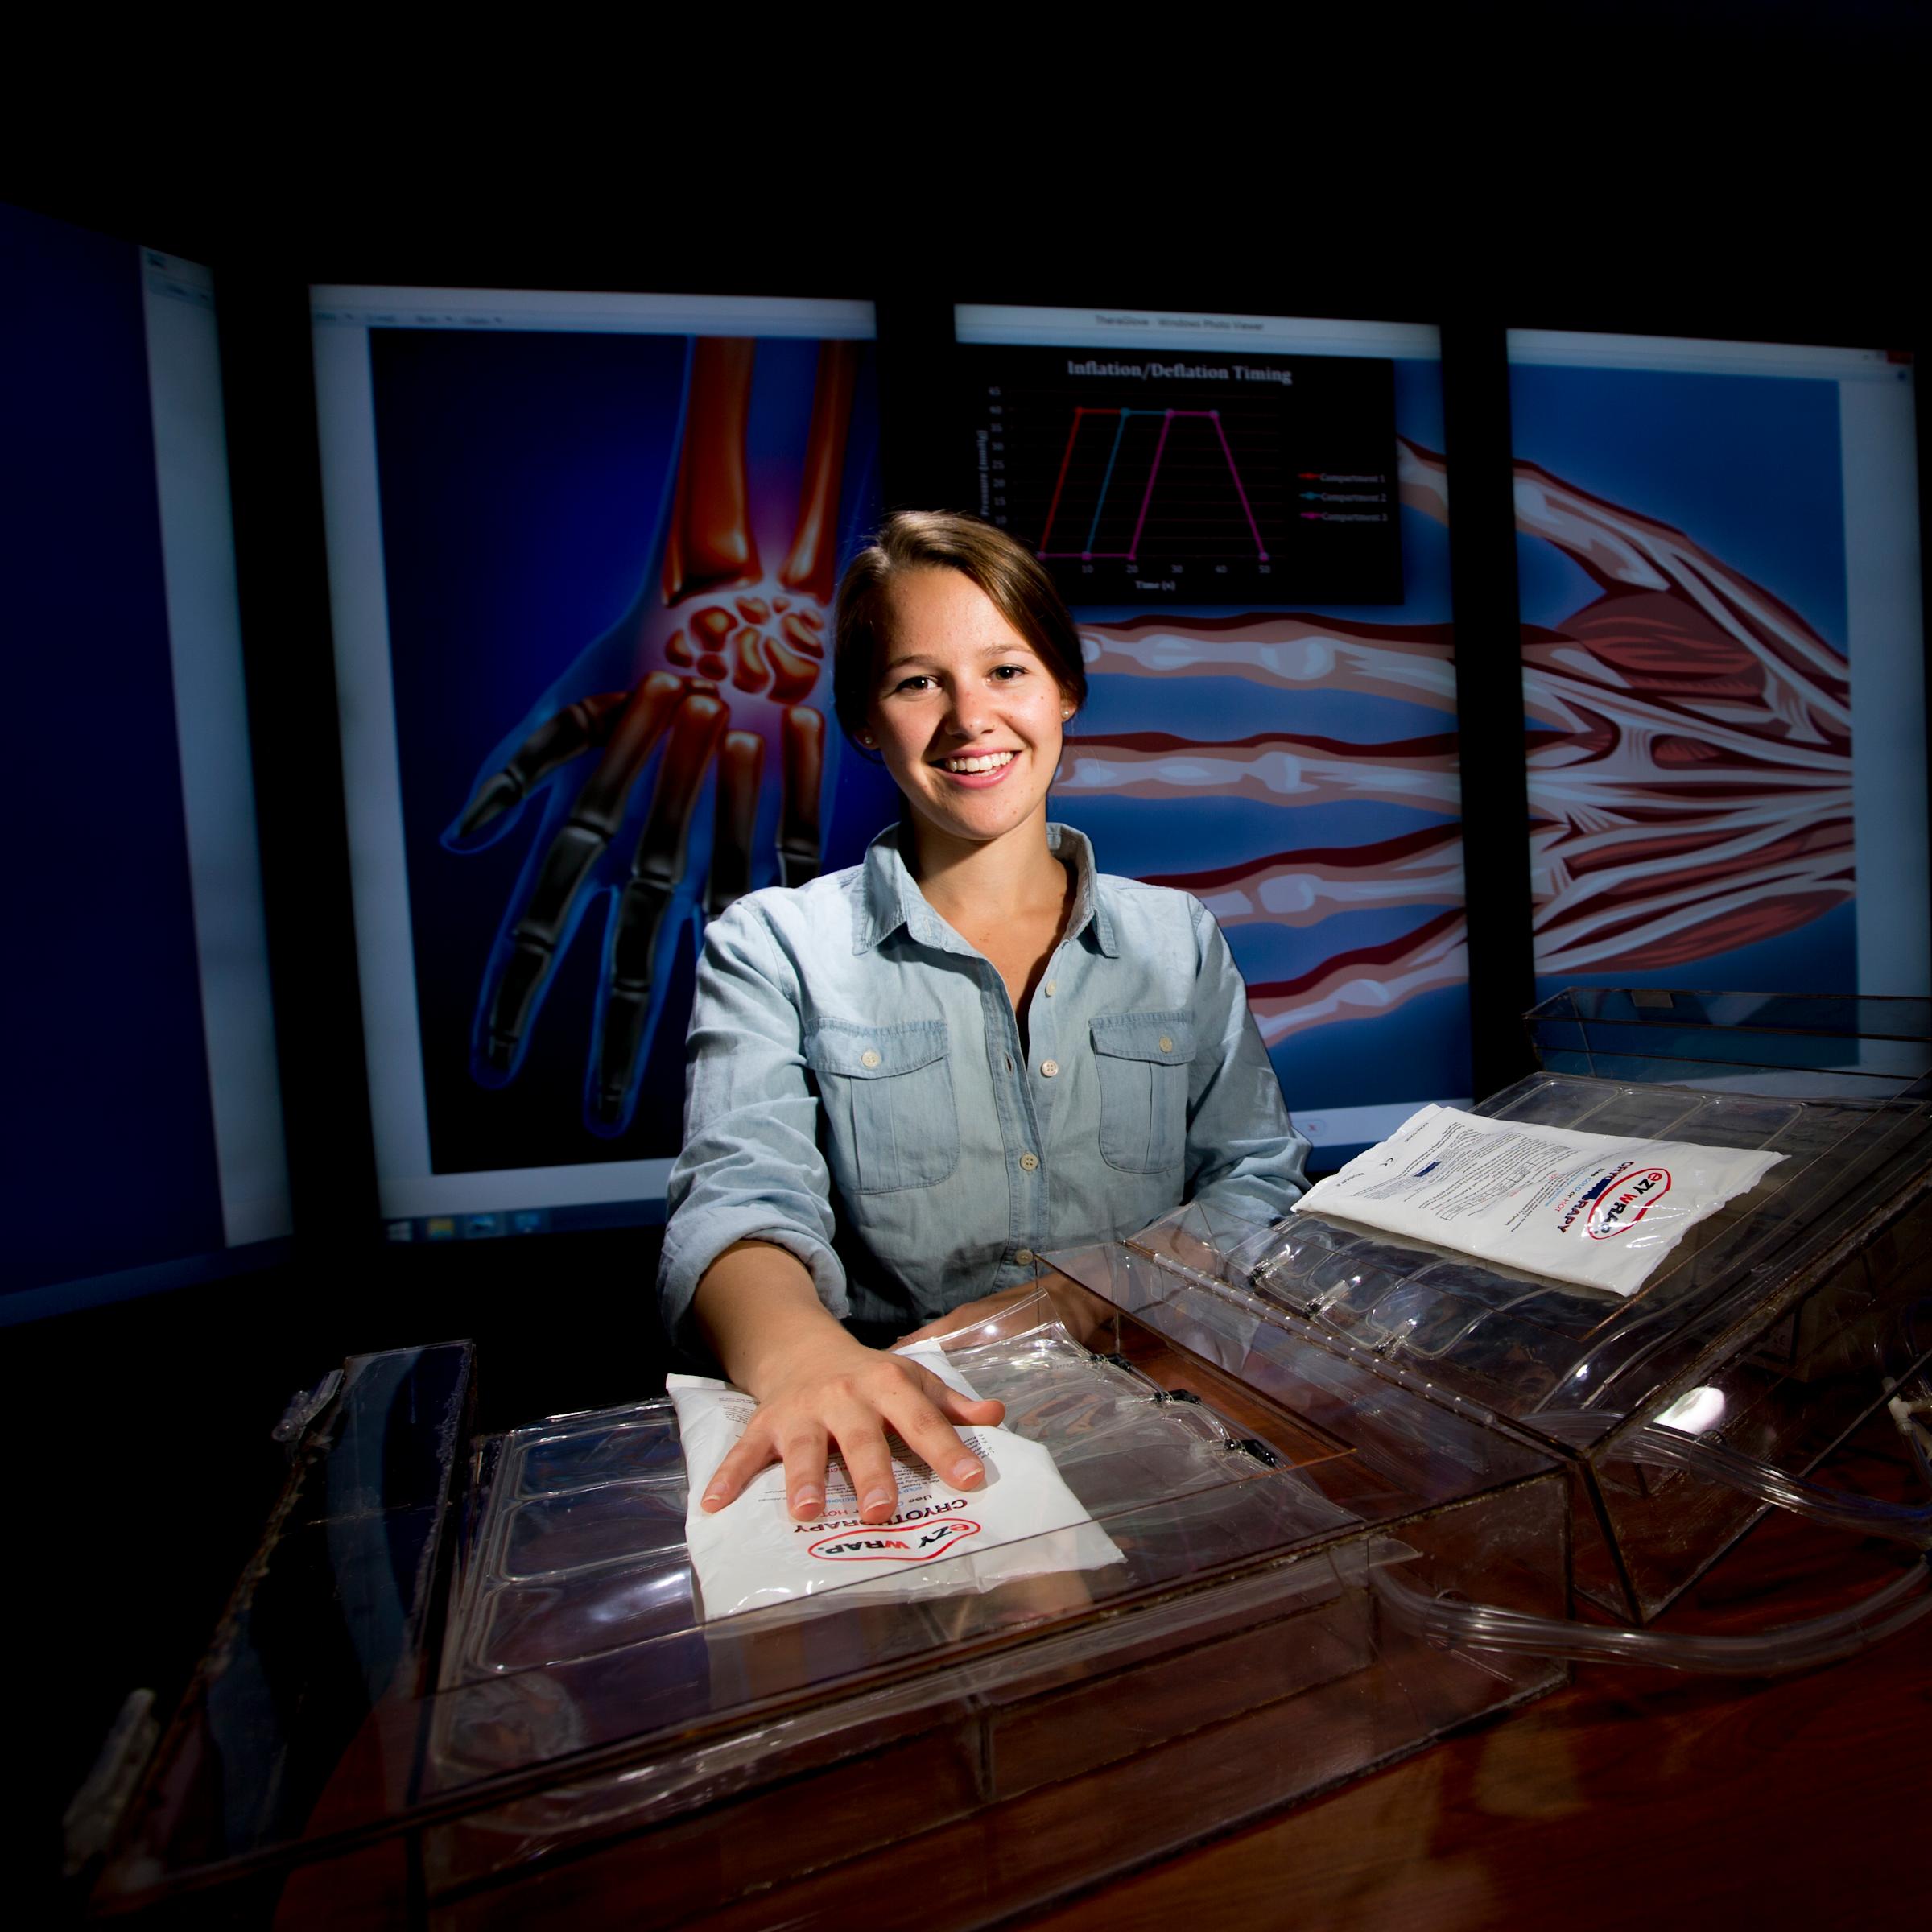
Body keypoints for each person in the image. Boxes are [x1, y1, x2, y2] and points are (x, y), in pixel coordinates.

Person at [658, 511, 1308, 1530]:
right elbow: (739, 1200)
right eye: (919, 682)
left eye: (1006, 671)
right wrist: (803, 1358)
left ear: (1066, 692)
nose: (971, 719)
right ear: (867, 721)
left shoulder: (1177, 937)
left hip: (1166, 1425)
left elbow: (1255, 1181)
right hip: (909, 1448)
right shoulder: (773, 945)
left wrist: (1077, 1299)